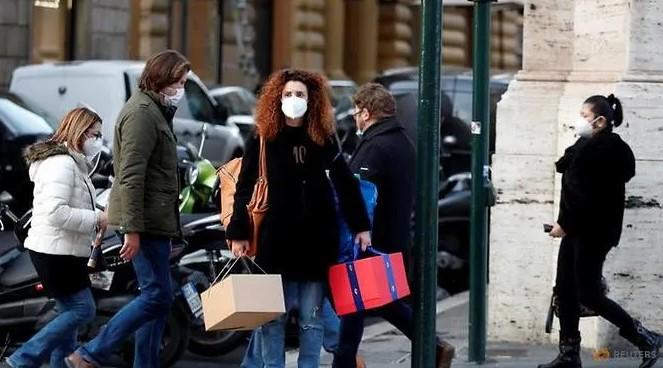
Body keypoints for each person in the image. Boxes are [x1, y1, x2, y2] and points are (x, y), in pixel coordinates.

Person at [227, 68, 372, 368]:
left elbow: (344, 181)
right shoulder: (264, 137)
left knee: (311, 320)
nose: (294, 100)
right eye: (288, 94)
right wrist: (238, 230)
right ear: (277, 99)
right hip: (275, 244)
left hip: (315, 243)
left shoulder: (322, 136)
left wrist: (361, 226)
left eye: (300, 95)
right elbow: (244, 187)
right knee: (272, 319)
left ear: (312, 100)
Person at [65, 50, 190, 368]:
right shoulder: (142, 114)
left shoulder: (155, 110)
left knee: (158, 300)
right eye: (180, 82)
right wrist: (132, 230)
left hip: (154, 220)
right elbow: (131, 176)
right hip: (144, 222)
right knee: (157, 296)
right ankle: (90, 353)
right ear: (162, 78)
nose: (182, 88)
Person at [332, 83, 456, 368]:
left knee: (356, 300)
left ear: (366, 112)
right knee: (370, 301)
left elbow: (359, 192)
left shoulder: (376, 146)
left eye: (355, 112)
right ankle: (432, 345)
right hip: (392, 236)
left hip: (371, 239)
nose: (354, 118)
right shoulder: (401, 141)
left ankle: (346, 361)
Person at [540, 94, 662, 368]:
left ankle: (645, 338)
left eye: (584, 116)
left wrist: (565, 225)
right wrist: (566, 225)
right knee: (565, 290)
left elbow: (588, 197)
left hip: (594, 232)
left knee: (588, 293)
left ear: (600, 121)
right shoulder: (585, 145)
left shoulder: (609, 149)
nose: (579, 120)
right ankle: (569, 355)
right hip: (575, 229)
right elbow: (571, 184)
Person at [1, 108, 105, 368]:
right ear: (79, 132)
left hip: (62, 249)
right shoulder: (62, 163)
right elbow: (55, 212)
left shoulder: (72, 162)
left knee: (67, 318)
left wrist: (98, 215)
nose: (98, 140)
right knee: (83, 310)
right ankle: (21, 360)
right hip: (55, 252)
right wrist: (95, 218)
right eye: (95, 134)